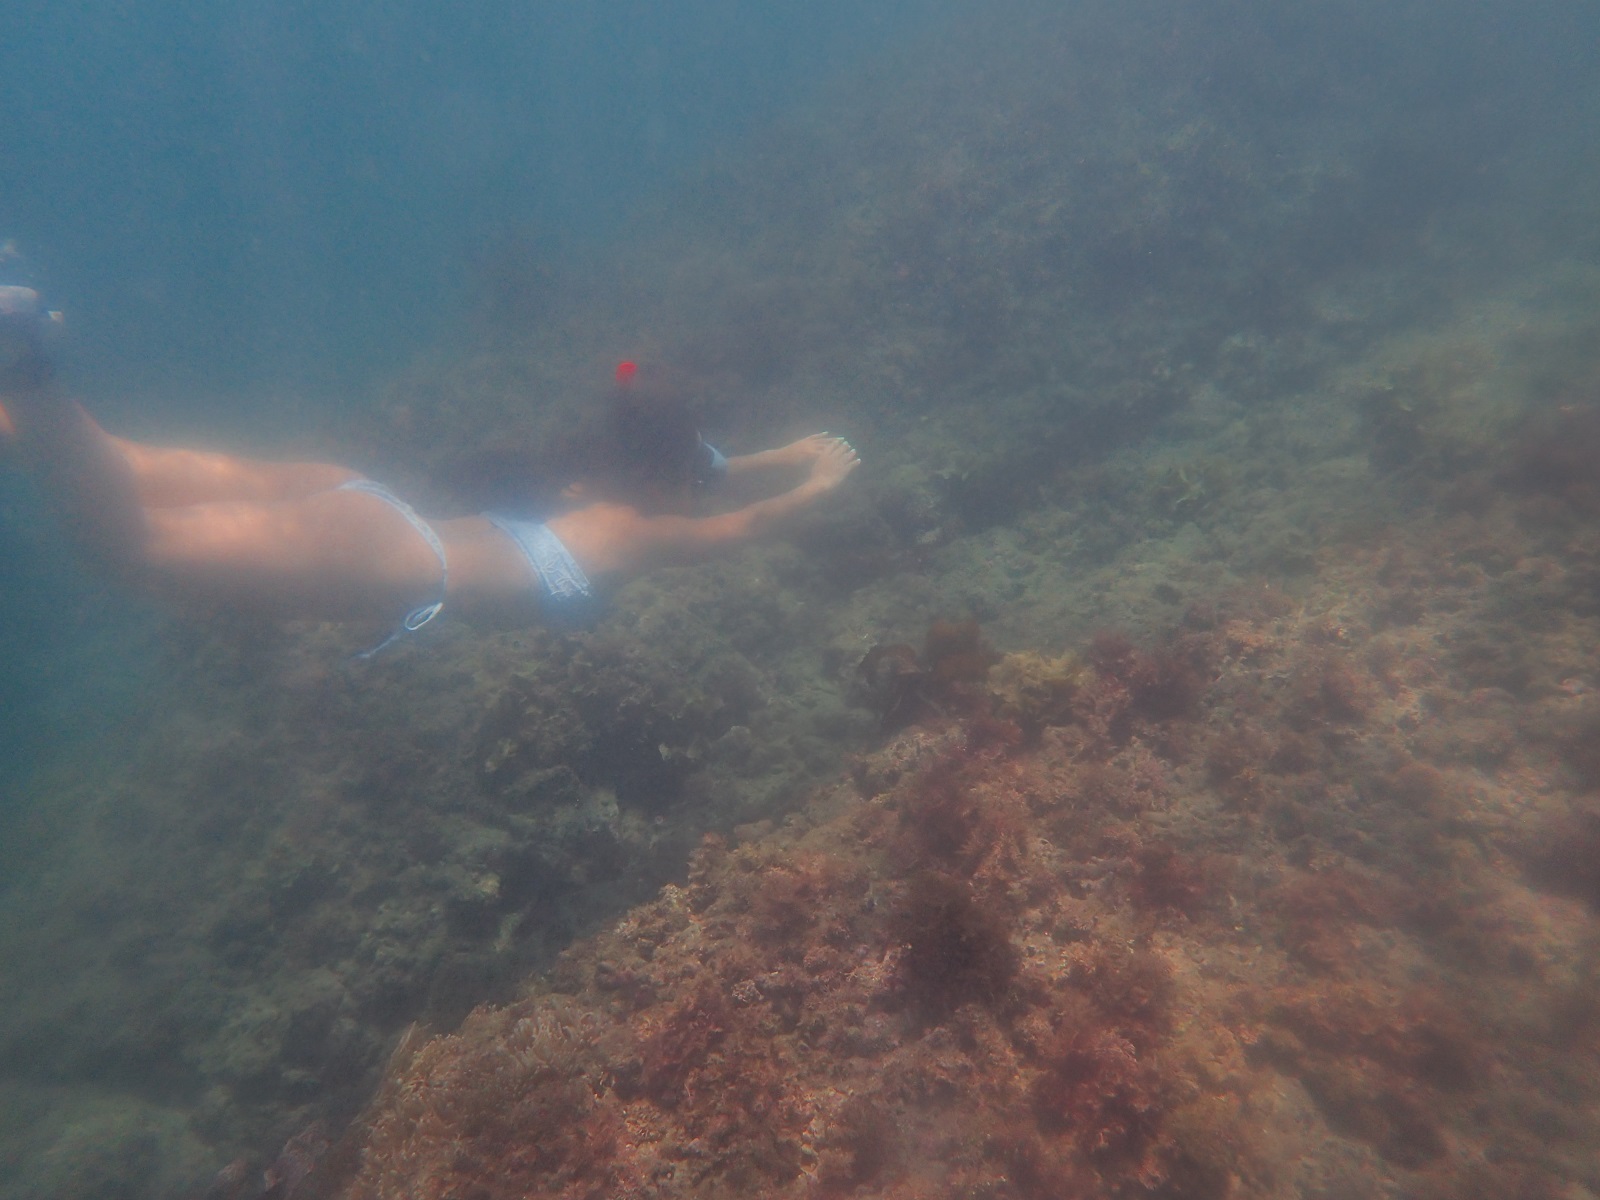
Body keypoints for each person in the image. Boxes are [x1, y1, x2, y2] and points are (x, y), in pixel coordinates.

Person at [0, 286, 860, 651]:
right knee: (132, 549)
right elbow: (744, 524)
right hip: (389, 556)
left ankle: (21, 385)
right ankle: (26, 359)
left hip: (362, 502)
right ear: (668, 476)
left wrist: (789, 456)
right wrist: (820, 485)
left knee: (134, 468)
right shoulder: (637, 530)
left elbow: (697, 465)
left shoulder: (593, 478)